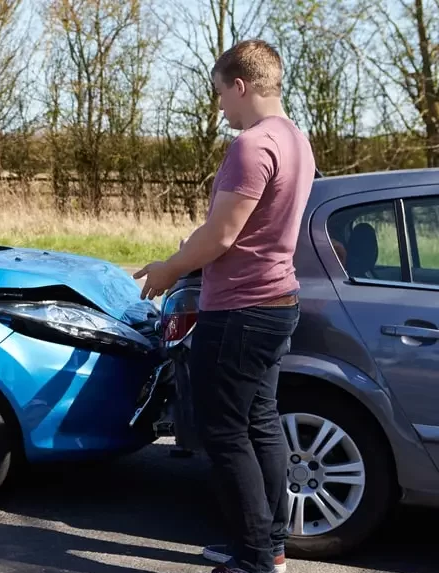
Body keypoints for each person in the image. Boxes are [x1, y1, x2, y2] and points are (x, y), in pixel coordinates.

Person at [133, 40, 315, 573]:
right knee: (260, 422)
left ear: (240, 85)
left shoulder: (252, 145)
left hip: (240, 310)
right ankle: (267, 545)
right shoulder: (297, 140)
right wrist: (192, 246)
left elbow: (222, 235)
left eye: (219, 93)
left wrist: (170, 268)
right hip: (277, 302)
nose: (218, 107)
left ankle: (258, 559)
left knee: (226, 430)